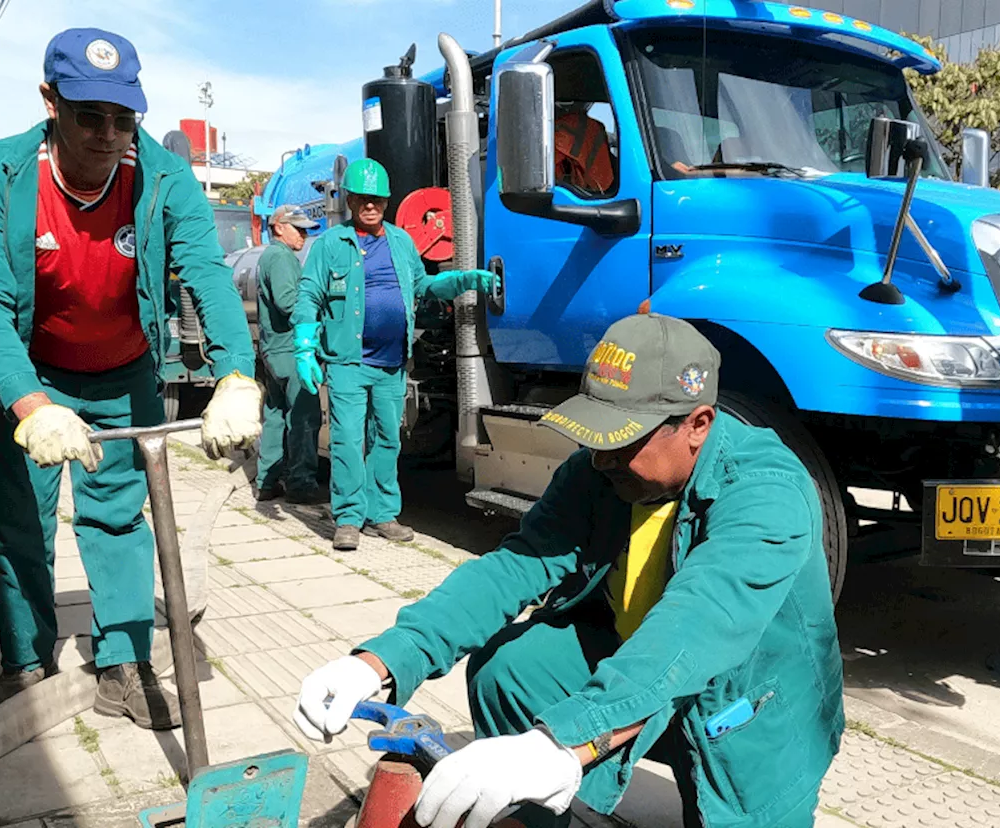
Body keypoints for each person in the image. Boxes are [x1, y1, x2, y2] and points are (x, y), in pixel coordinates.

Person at [292, 312, 845, 828]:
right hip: (637, 670)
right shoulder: (601, 471)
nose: (600, 459)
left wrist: (563, 742)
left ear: (697, 424)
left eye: (621, 441)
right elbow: (515, 566)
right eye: (595, 436)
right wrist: (382, 660)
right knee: (510, 668)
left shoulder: (768, 491)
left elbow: (699, 625)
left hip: (746, 711)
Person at [0, 28, 262, 728]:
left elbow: (206, 272)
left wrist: (238, 374)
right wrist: (29, 404)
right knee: (18, 520)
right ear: (50, 101)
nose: (107, 135)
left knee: (118, 517)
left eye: (124, 119)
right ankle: (25, 660)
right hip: (29, 373)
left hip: (122, 376)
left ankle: (123, 661)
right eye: (90, 116)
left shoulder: (163, 176)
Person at [291, 158, 498, 551]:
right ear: (350, 201)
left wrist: (464, 279)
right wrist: (304, 347)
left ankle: (382, 514)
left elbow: (423, 286)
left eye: (378, 200)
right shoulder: (330, 245)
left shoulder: (402, 242)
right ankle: (349, 518)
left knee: (388, 440)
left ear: (387, 202)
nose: (370, 206)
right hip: (347, 362)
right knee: (348, 441)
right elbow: (309, 296)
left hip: (391, 364)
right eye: (363, 199)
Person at [255, 204, 324, 504]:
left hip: (273, 349)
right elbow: (288, 302)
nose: (305, 236)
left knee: (274, 414)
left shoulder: (270, 256)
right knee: (304, 416)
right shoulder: (281, 257)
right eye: (300, 229)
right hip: (289, 349)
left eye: (307, 230)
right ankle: (301, 484)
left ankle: (267, 481)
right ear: (279, 227)